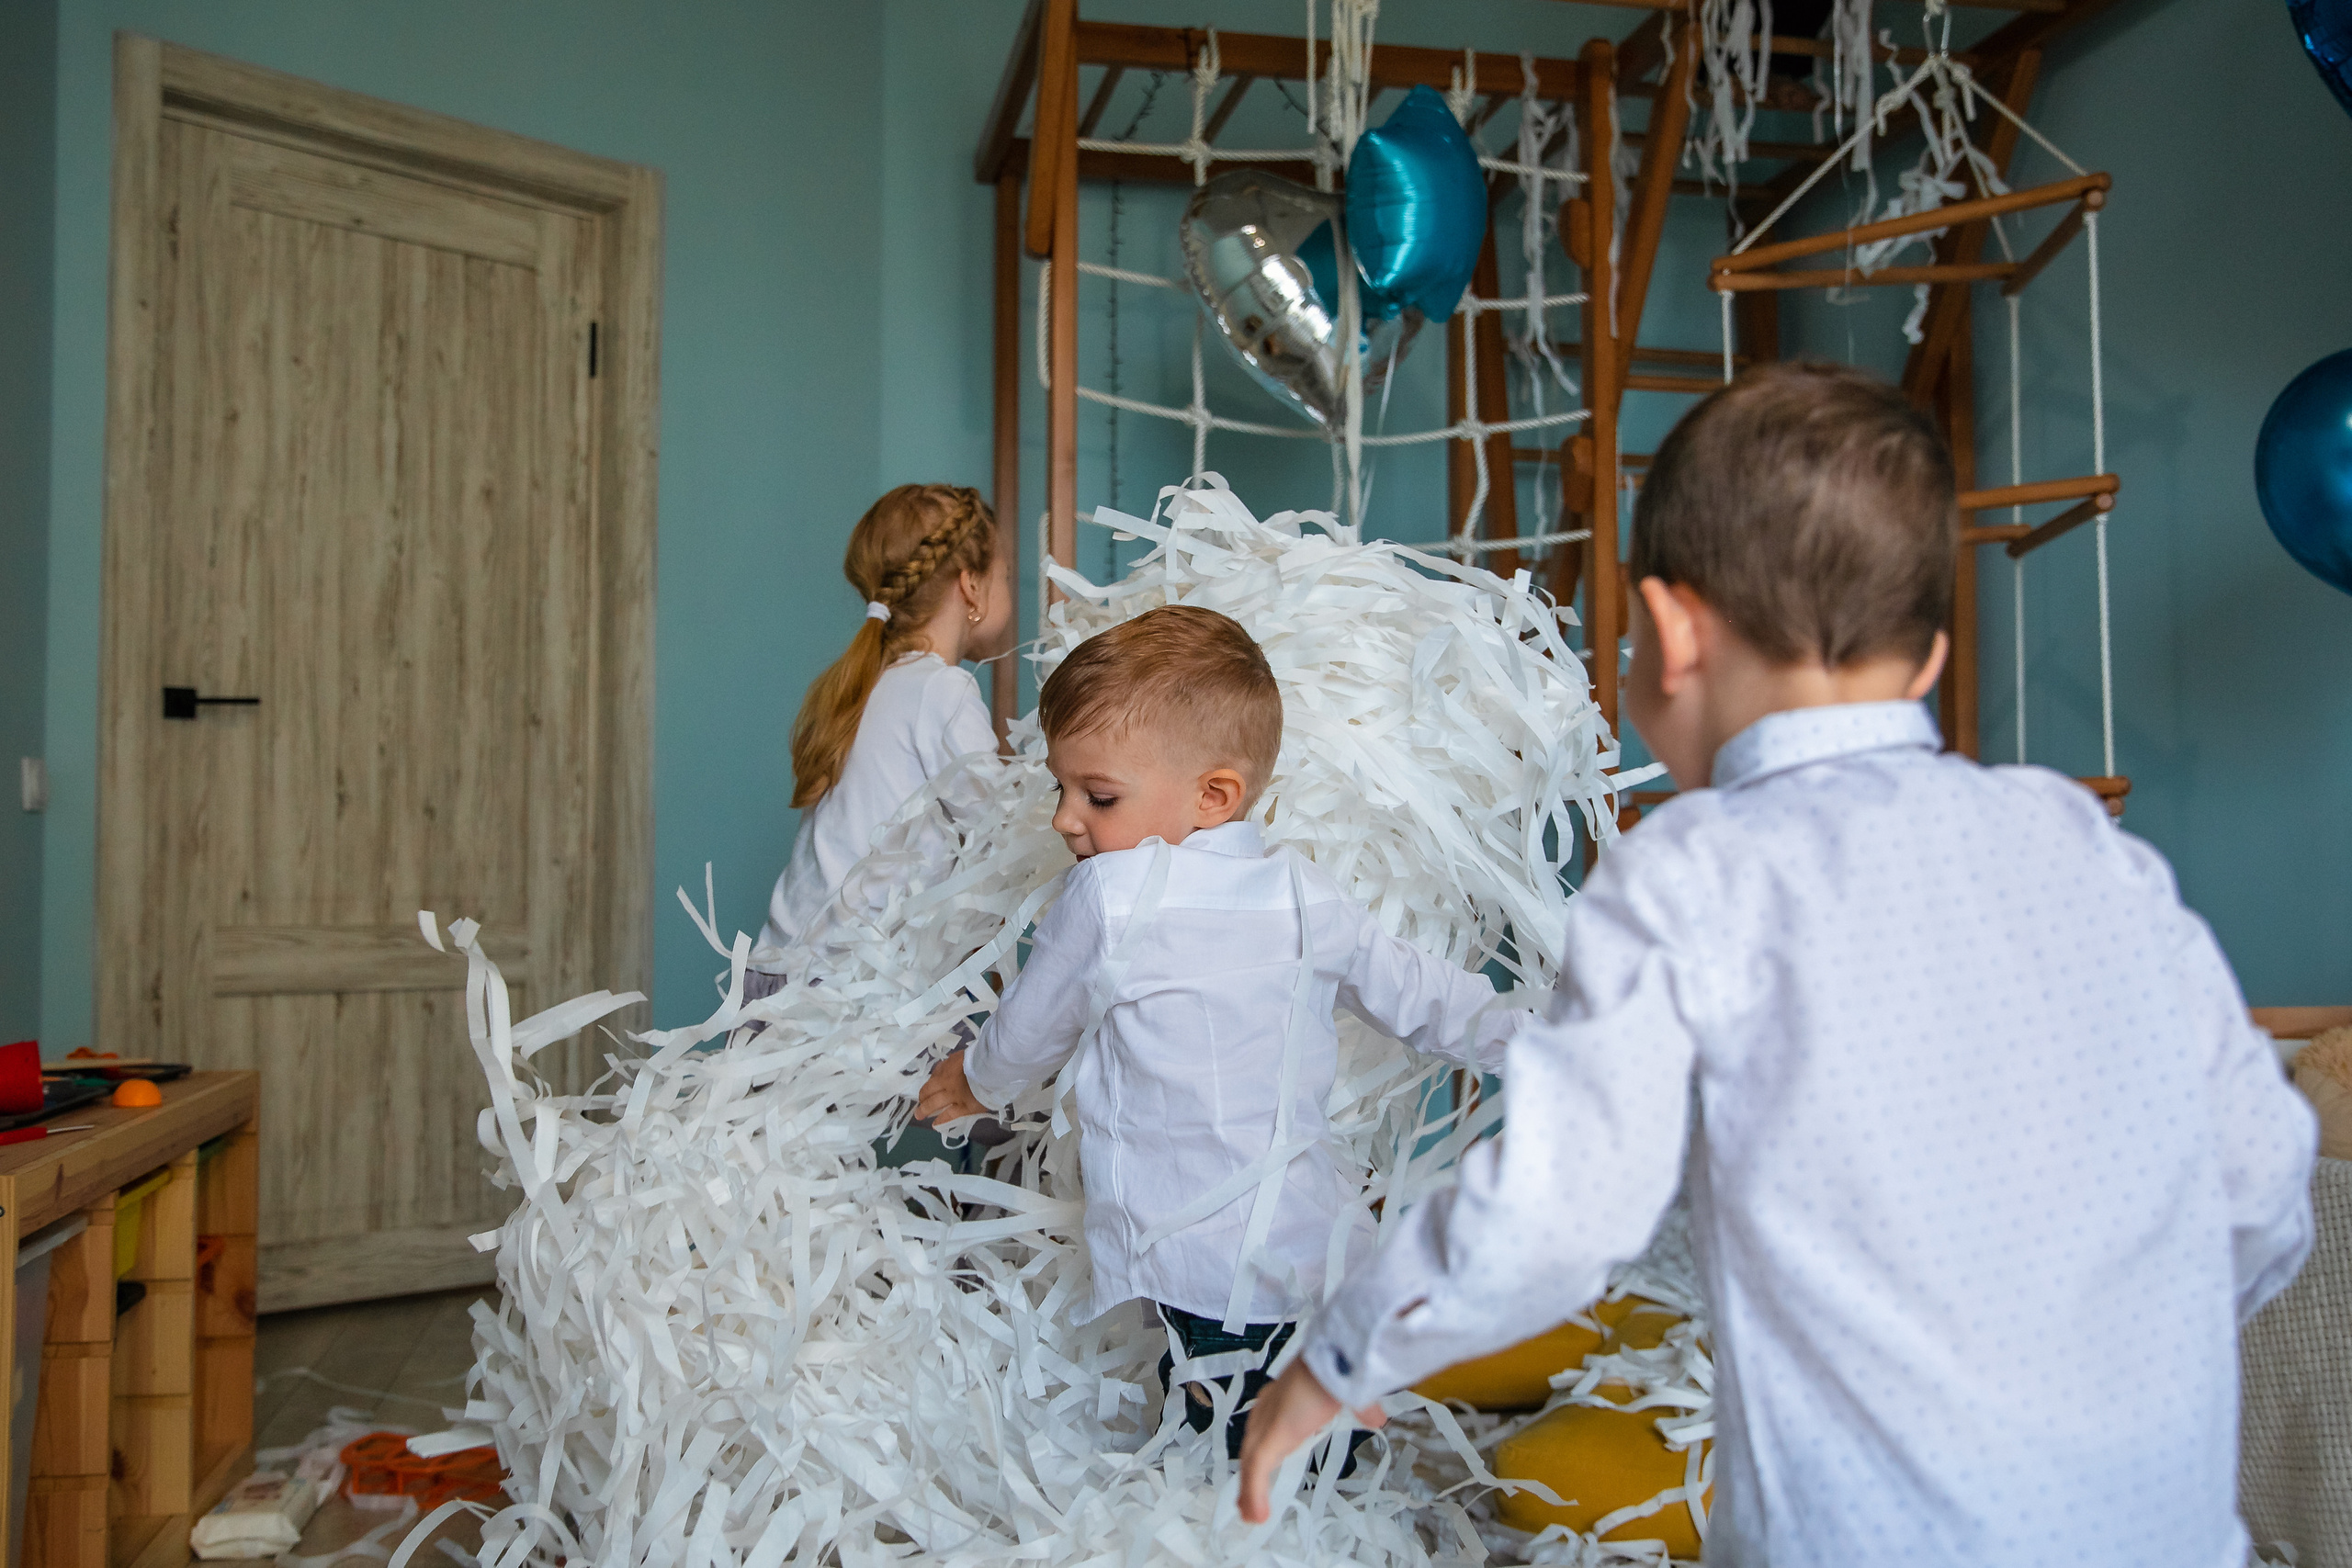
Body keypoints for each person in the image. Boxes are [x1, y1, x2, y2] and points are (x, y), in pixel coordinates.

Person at [1238, 361, 2319, 1567]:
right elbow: (2264, 1166)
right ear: (1926, 661)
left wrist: (1341, 1355)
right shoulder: (2080, 839)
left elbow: (1558, 1210)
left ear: (1673, 631)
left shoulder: (1695, 870)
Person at [917, 604, 1522, 1457]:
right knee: (1309, 1441)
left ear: (1214, 796)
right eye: (1062, 788)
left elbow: (1030, 1025)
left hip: (1198, 1260)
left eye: (1097, 795)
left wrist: (974, 1081)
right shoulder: (1303, 892)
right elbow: (1425, 996)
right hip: (1312, 1244)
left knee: (1220, 1446)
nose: (1064, 817)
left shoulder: (1110, 895)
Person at [751, 483, 1014, 996]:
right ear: (972, 587)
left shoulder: (874, 681)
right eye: (1003, 575)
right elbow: (1000, 836)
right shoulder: (942, 688)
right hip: (852, 990)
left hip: (779, 971)